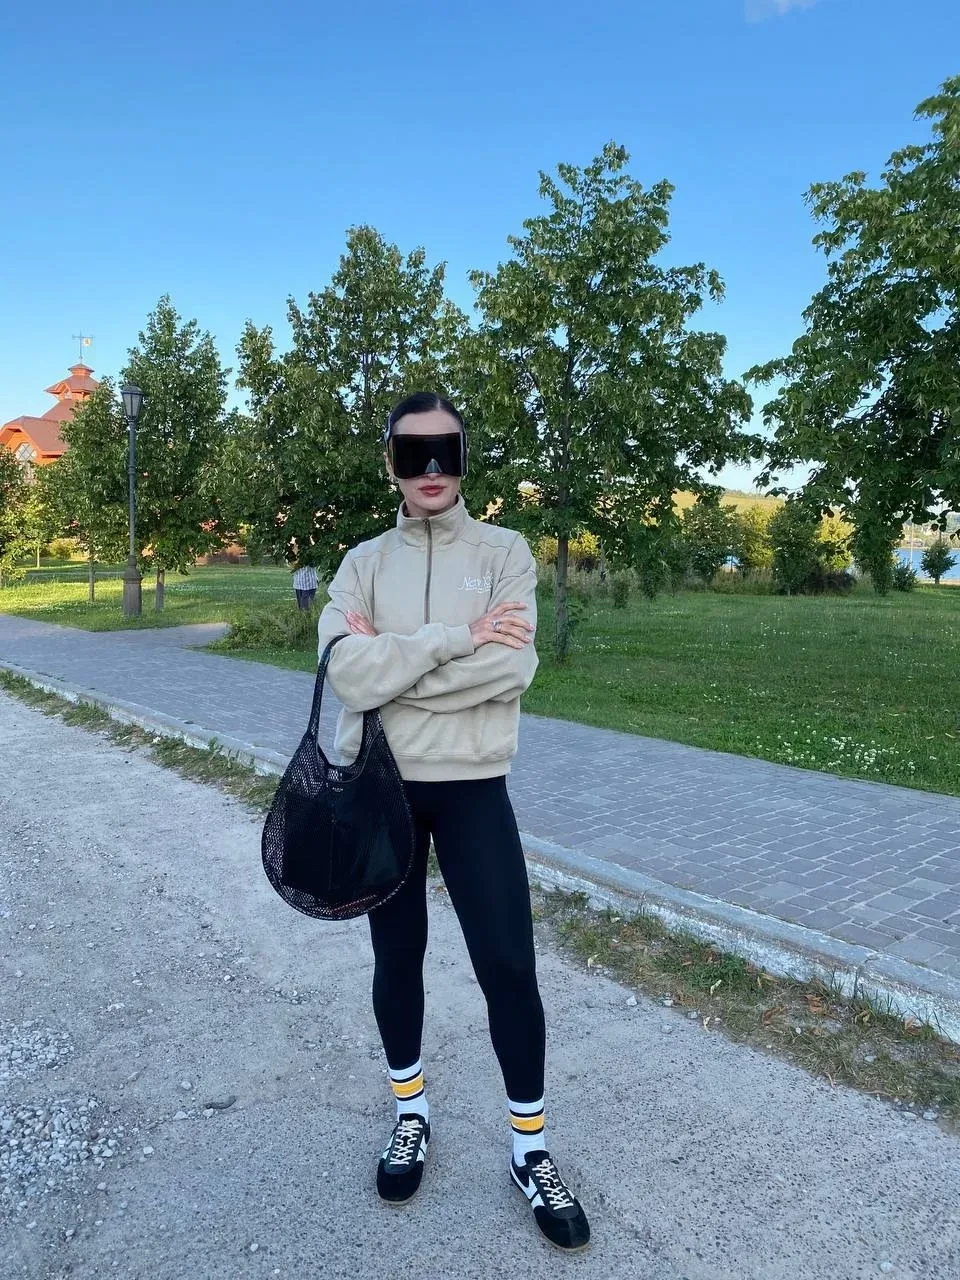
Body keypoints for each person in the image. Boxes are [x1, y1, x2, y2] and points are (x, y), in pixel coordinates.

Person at [315, 392, 590, 1252]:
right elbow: (344, 674)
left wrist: (392, 671)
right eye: (413, 453)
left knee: (508, 964)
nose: (431, 469)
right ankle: (411, 1113)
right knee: (397, 960)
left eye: (446, 450)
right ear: (390, 463)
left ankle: (530, 1148)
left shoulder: (505, 553)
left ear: (465, 455)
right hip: (384, 791)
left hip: (475, 790)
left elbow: (513, 669)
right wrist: (455, 640)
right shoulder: (361, 563)